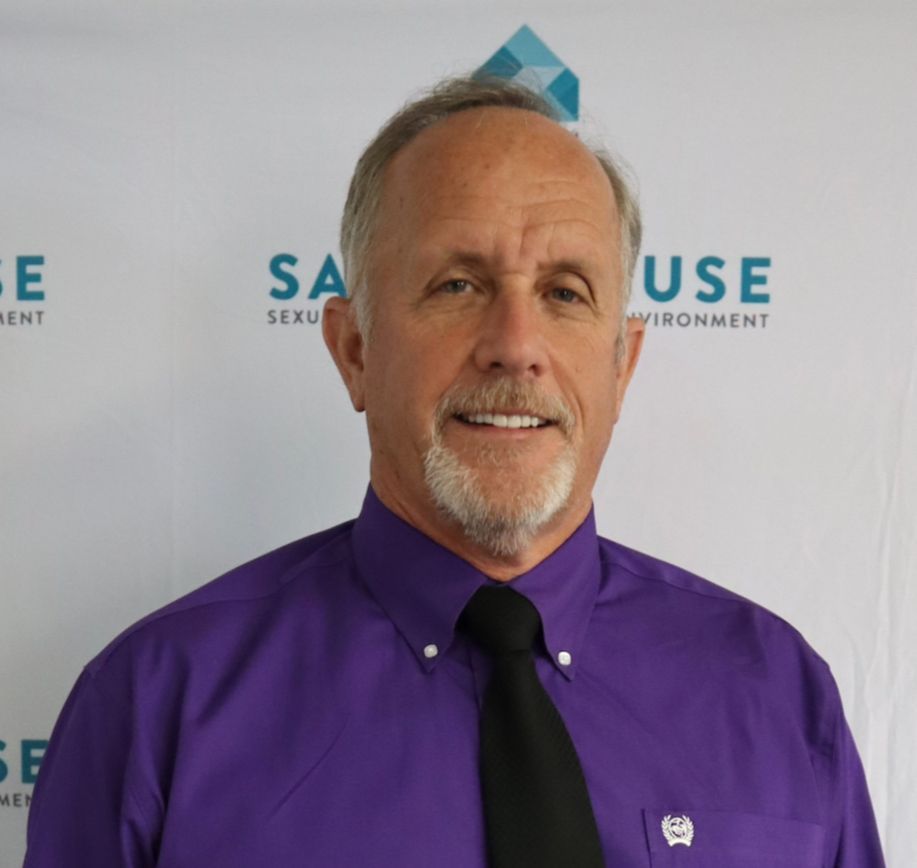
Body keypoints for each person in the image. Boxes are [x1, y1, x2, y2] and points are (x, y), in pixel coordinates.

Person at [25, 76, 884, 867]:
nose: (514, 347)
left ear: (621, 365)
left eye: (564, 292)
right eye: (456, 286)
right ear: (354, 349)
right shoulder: (153, 709)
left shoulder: (775, 692)